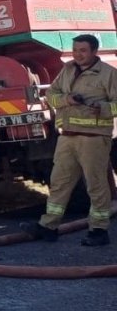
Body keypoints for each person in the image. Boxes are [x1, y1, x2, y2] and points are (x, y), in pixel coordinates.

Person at [23, 34, 117, 246]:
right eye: (75, 50)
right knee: (59, 183)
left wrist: (100, 108)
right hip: (67, 137)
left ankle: (99, 231)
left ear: (94, 52)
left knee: (96, 185)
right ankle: (48, 226)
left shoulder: (109, 75)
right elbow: (51, 95)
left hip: (93, 139)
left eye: (83, 51)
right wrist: (66, 99)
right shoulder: (68, 70)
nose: (78, 55)